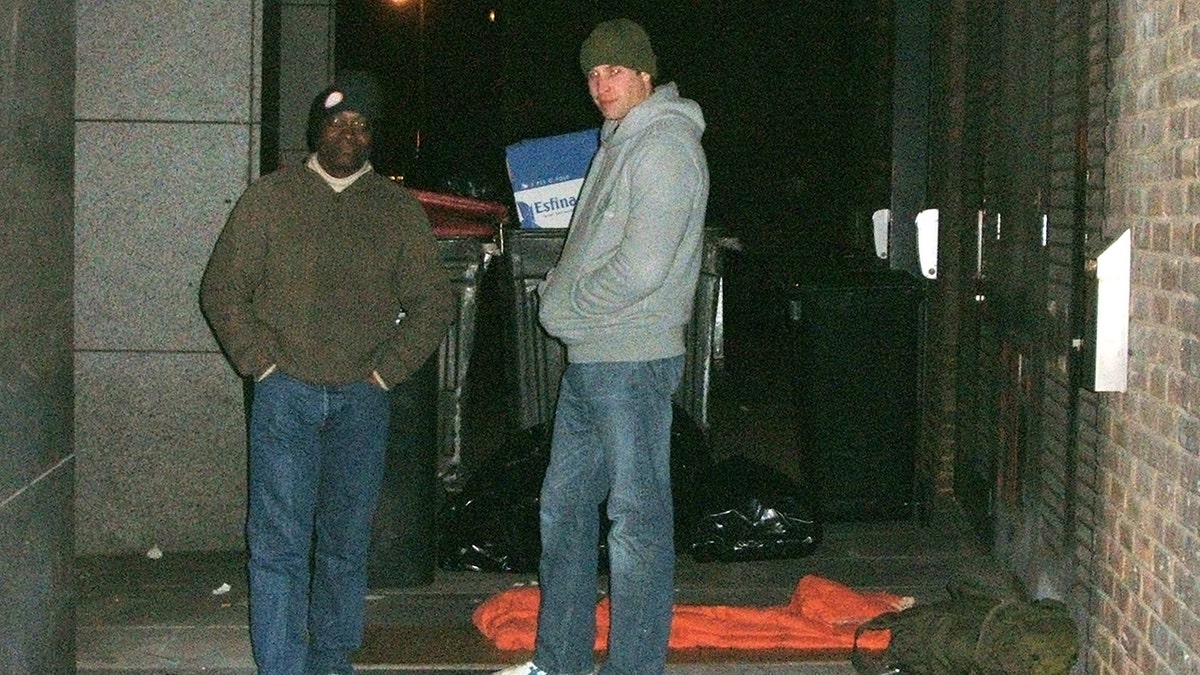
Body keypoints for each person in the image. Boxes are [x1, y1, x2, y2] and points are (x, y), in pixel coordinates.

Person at [200, 75, 455, 675]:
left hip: (361, 401)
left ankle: (332, 659)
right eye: (338, 123)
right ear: (316, 132)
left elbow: (434, 302)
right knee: (279, 545)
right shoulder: (270, 198)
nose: (349, 133)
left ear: (373, 138)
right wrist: (261, 363)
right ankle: (283, 666)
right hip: (285, 395)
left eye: (362, 125)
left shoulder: (397, 210)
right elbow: (221, 290)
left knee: (345, 543)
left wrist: (385, 373)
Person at [496, 17, 710, 675]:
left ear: (646, 74)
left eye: (614, 70)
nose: (600, 84)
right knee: (562, 514)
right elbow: (587, 248)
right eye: (592, 73)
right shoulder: (616, 145)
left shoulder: (665, 148)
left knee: (636, 526)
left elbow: (642, 269)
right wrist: (568, 297)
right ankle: (558, 661)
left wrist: (560, 306)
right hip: (593, 362)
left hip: (633, 360)